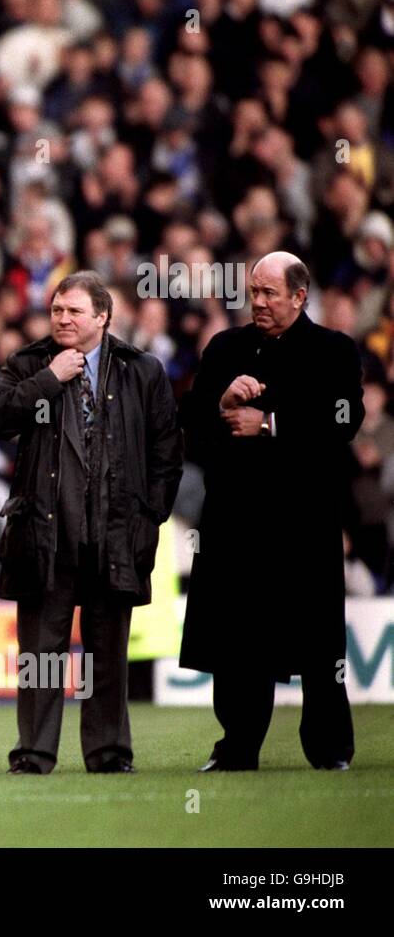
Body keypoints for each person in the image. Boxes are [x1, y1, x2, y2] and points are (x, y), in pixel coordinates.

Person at [0, 271, 181, 775]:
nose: (62, 319)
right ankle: (34, 754)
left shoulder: (144, 370)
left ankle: (109, 754)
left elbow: (166, 452)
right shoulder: (29, 362)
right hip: (46, 533)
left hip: (115, 532)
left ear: (103, 317)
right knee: (41, 654)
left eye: (73, 311)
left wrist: (148, 515)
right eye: (56, 310)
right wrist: (50, 378)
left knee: (107, 654)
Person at [180, 252, 362, 771]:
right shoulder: (225, 348)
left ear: (299, 296)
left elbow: (345, 418)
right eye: (253, 292)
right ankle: (237, 747)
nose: (257, 302)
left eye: (268, 294)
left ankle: (330, 750)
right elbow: (191, 419)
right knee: (236, 641)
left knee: (319, 640)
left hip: (305, 520)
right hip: (235, 521)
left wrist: (270, 424)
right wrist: (220, 400)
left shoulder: (334, 350)